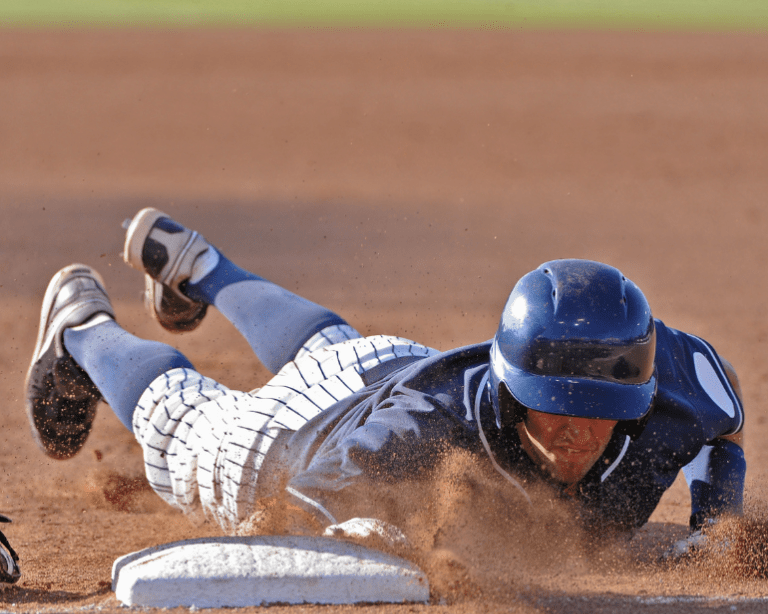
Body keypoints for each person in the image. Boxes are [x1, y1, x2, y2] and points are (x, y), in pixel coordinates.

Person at [25, 208, 746, 566]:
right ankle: (80, 330)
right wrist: (377, 534)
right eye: (557, 408)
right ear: (511, 385)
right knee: (191, 435)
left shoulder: (662, 382)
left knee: (329, 347)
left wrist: (716, 522)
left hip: (390, 362)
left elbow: (727, 411)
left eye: (603, 414)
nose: (578, 432)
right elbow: (304, 500)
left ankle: (201, 266)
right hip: (307, 437)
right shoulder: (424, 429)